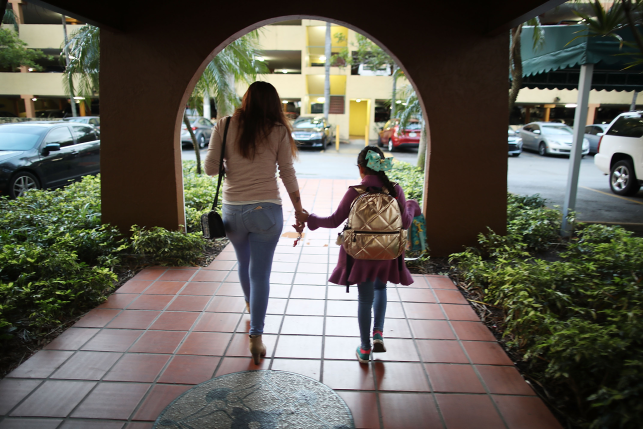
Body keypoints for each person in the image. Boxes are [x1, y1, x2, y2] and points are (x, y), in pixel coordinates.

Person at [204, 81, 305, 365]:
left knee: (243, 263)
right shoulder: (278, 130)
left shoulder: (224, 124)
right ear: (274, 104)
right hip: (266, 210)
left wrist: (230, 162)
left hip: (233, 211)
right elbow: (287, 171)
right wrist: (298, 209)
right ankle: (256, 337)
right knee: (260, 274)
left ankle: (250, 306)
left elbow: (211, 169)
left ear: (246, 99)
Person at [297, 146, 421, 363]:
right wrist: (411, 206)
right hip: (388, 252)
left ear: (361, 168)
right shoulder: (395, 190)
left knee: (365, 298)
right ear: (382, 166)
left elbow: (334, 220)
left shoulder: (355, 192)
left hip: (360, 253)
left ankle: (364, 349)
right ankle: (378, 333)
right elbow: (405, 222)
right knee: (381, 288)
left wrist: (312, 220)